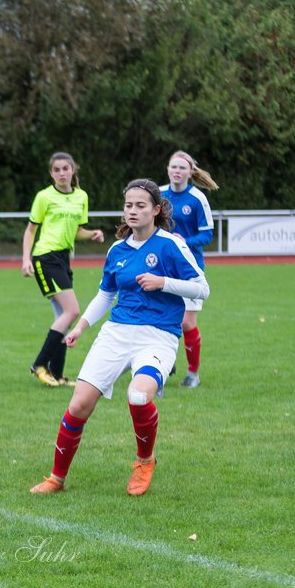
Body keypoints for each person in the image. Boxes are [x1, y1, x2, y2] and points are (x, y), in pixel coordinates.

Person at [30, 180, 209, 497]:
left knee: (139, 396)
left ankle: (144, 461)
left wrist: (163, 282)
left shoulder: (170, 245)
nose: (133, 211)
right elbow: (105, 295)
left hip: (158, 336)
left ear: (155, 210)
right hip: (116, 333)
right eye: (129, 205)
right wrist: (80, 326)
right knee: (78, 406)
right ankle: (56, 478)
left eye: (141, 205)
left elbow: (201, 288)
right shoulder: (117, 250)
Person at [21, 152, 105, 387]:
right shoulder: (44, 197)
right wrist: (26, 259)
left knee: (63, 317)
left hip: (63, 260)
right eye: (56, 170)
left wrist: (92, 234)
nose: (61, 173)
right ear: (51, 173)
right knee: (72, 310)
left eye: (65, 169)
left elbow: (77, 230)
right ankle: (39, 364)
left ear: (73, 170)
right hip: (45, 258)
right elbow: (30, 230)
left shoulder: (81, 197)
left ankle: (57, 374)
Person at [161, 150, 218, 389]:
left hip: (189, 267)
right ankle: (162, 366)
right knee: (161, 318)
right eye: (173, 167)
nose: (177, 171)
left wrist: (183, 241)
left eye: (182, 168)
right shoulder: (159, 194)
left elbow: (207, 234)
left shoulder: (197, 198)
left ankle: (193, 373)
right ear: (168, 169)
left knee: (186, 323)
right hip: (162, 265)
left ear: (190, 172)